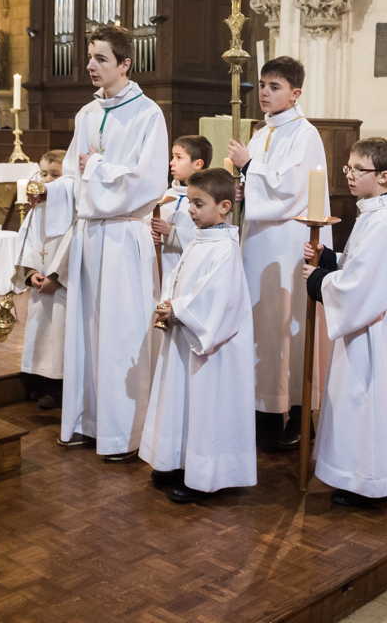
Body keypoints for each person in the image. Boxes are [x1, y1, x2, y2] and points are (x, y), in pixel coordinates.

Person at [56, 25, 168, 461]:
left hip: (123, 235)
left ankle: (123, 433)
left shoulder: (147, 114)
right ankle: (88, 422)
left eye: (101, 59)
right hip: (90, 236)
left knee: (121, 335)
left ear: (125, 64)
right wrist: (51, 192)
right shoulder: (86, 114)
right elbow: (71, 174)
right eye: (89, 57)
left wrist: (97, 167)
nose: (90, 66)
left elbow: (148, 181)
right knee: (87, 332)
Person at [303, 137, 387, 507]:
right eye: (347, 167)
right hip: (367, 323)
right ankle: (358, 478)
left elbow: (364, 285)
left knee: (367, 405)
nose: (349, 175)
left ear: (384, 176)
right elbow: (361, 265)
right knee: (358, 404)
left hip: (372, 328)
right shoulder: (376, 213)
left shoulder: (385, 222)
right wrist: (329, 259)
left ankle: (369, 484)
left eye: (358, 169)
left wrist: (318, 281)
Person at [228, 56, 330, 450]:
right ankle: (259, 406)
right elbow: (258, 186)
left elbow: (288, 189)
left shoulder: (304, 135)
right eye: (263, 86)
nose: (265, 94)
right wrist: (242, 187)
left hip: (284, 245)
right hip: (257, 242)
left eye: (275, 87)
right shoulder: (261, 132)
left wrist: (250, 167)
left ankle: (287, 412)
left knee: (281, 327)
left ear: (296, 92)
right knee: (259, 325)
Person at [141, 169, 257, 504]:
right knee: (181, 402)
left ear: (224, 207)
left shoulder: (225, 249)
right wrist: (168, 301)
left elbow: (217, 299)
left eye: (199, 204)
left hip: (211, 347)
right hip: (186, 336)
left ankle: (204, 476)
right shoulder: (201, 240)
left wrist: (178, 309)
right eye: (190, 203)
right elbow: (180, 277)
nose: (191, 210)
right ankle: (176, 461)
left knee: (206, 406)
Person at [15, 150, 73, 411]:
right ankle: (35, 381)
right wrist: (29, 273)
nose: (47, 180)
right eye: (44, 173)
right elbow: (25, 242)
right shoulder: (37, 210)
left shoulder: (75, 212)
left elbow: (75, 247)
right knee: (39, 333)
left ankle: (57, 389)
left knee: (59, 336)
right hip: (39, 285)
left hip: (61, 289)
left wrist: (57, 278)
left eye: (55, 175)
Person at [151, 135, 211, 281]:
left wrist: (171, 233)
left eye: (178, 157)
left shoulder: (207, 200)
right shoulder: (165, 194)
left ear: (198, 164)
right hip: (159, 271)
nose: (172, 163)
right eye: (172, 157)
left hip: (187, 275)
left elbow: (206, 239)